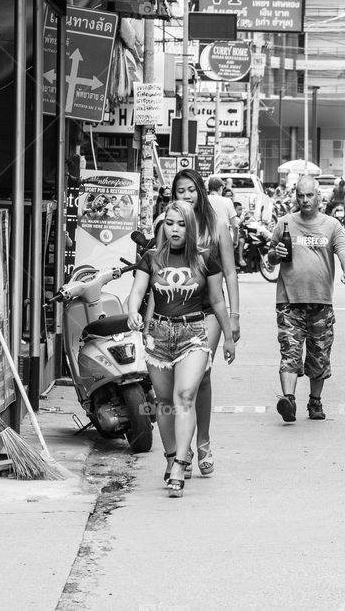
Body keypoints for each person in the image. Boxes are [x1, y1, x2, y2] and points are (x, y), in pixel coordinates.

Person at [127, 201, 235, 498]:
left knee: (184, 396)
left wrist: (228, 336)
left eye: (181, 224)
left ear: (191, 227)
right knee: (164, 401)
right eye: (170, 223)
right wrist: (133, 312)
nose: (175, 229)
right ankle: (171, 454)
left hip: (194, 335)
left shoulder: (205, 259)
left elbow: (216, 301)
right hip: (158, 335)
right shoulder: (150, 258)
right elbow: (136, 293)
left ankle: (180, 464)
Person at [166, 169, 240, 477]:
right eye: (180, 190)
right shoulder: (167, 224)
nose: (186, 195)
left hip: (208, 310)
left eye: (191, 190)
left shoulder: (217, 225)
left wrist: (233, 317)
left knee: (201, 374)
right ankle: (182, 446)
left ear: (201, 191)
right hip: (174, 311)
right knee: (177, 384)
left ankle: (204, 440)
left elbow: (230, 272)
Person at [267, 177, 345, 422]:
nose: (304, 200)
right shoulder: (284, 223)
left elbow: (343, 251)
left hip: (321, 303)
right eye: (300, 195)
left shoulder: (332, 225)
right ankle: (289, 401)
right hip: (288, 302)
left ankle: (315, 403)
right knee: (290, 352)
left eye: (309, 195)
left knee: (319, 355)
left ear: (319, 196)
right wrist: (276, 254)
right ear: (295, 196)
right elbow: (270, 257)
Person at [207, 175, 239, 243]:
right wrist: (235, 241)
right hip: (224, 239)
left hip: (206, 239)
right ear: (220, 188)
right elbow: (235, 226)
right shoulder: (227, 201)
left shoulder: (202, 200)